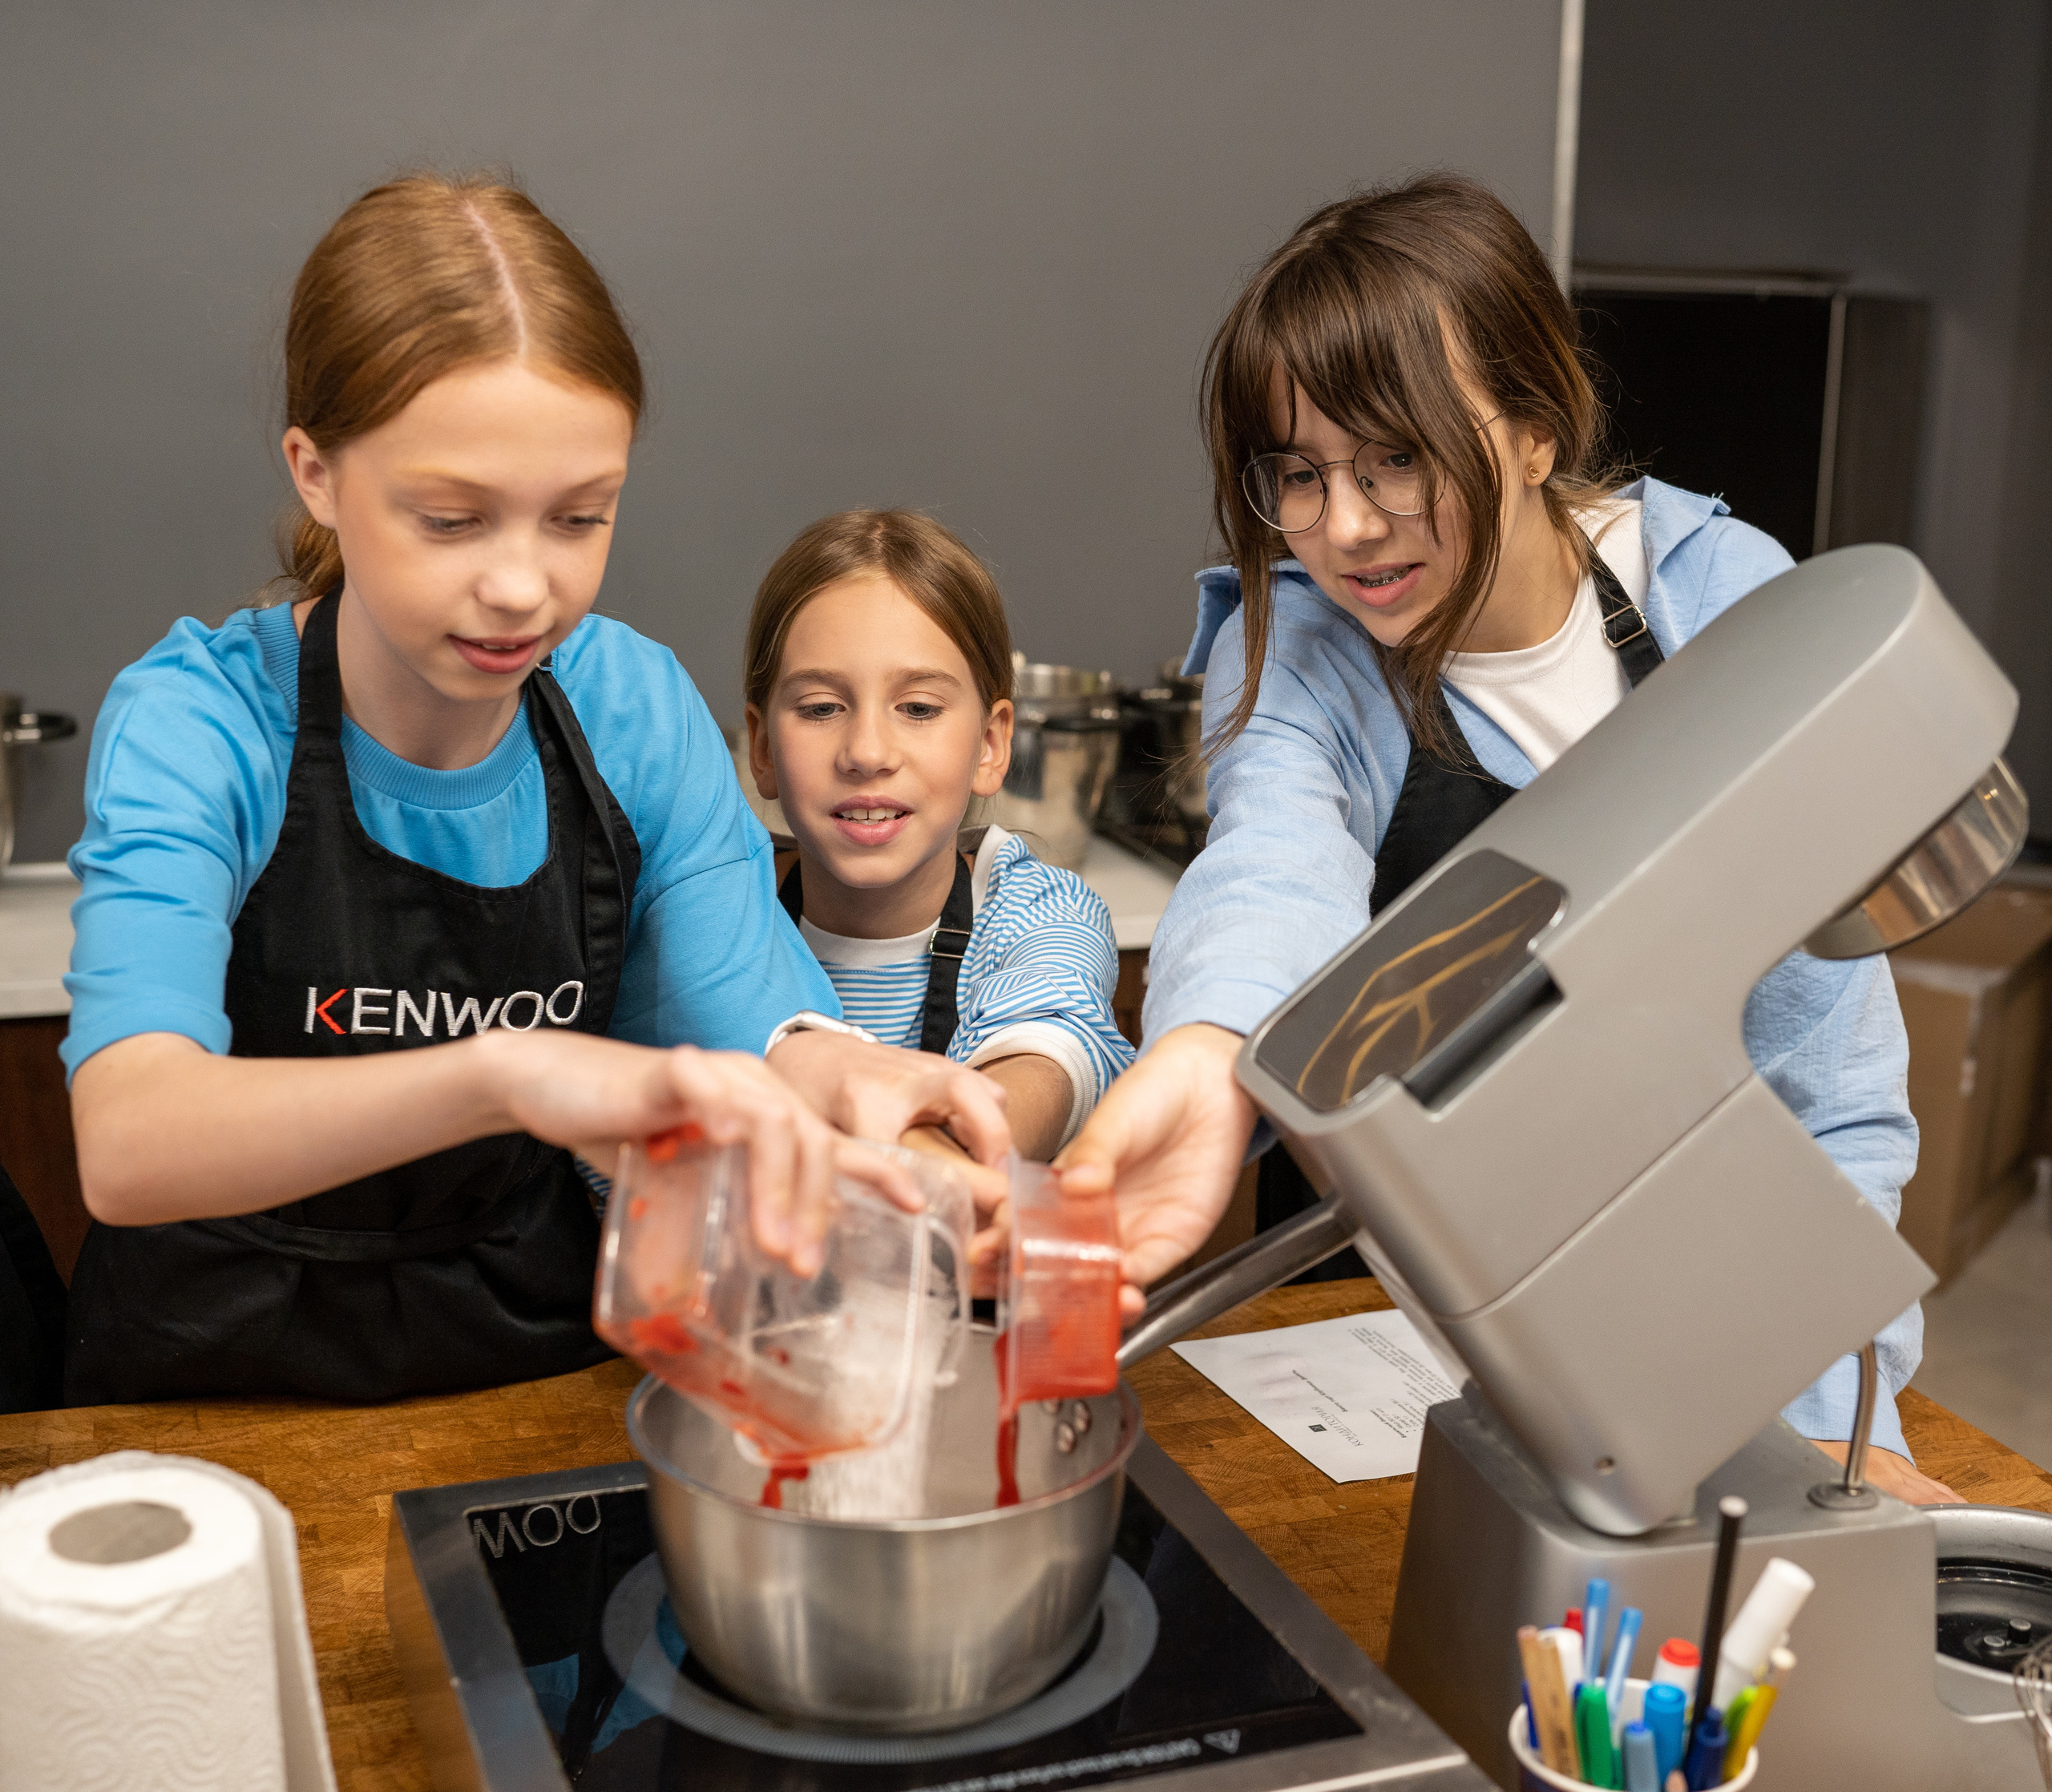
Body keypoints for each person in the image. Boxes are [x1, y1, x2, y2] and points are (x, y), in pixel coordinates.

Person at [1060, 173, 1954, 1504]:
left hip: (1725, 1296)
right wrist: (1202, 1051)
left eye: (1398, 458)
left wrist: (1849, 1415)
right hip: (1429, 1320)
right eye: (1297, 475)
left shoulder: (1722, 605)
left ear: (1535, 429)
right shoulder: (1301, 649)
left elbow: (1823, 1072)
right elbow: (1273, 863)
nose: (1347, 528)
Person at [61, 174, 1006, 1407]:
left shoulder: (631, 708)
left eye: (579, 517)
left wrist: (855, 1088)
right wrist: (506, 1074)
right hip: (215, 1379)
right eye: (453, 520)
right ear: (316, 473)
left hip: (528, 1377)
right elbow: (130, 1142)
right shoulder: (199, 721)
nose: (524, 589)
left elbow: (755, 1021)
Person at [741, 510, 1135, 1247]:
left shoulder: (1036, 913)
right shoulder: (716, 909)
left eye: (918, 708)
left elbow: (1048, 1061)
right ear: (762, 746)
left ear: (991, 744)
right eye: (821, 707)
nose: (866, 751)